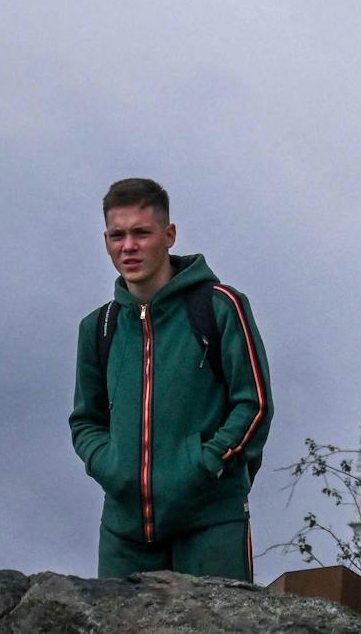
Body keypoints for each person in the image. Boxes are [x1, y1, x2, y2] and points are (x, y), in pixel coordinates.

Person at [69, 178, 273, 580]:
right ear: (106, 240)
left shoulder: (220, 307)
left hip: (211, 526)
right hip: (124, 535)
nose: (129, 246)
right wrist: (111, 466)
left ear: (169, 235)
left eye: (141, 233)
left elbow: (254, 405)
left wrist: (204, 463)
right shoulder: (99, 328)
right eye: (117, 235)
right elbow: (85, 421)